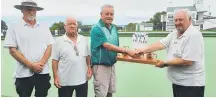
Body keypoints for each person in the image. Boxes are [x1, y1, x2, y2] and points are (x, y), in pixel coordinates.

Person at [135, 9, 205, 97]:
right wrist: (142, 50)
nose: (177, 22)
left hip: (191, 86)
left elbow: (188, 61)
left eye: (180, 20)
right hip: (178, 83)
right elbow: (161, 44)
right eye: (175, 20)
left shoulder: (194, 35)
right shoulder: (175, 33)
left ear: (190, 20)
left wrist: (165, 63)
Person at [3, 0, 54, 97]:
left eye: (34, 10)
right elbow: (12, 50)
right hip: (23, 74)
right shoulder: (14, 27)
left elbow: (49, 47)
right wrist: (31, 65)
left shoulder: (44, 27)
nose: (31, 12)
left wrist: (41, 63)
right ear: (22, 10)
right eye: (28, 10)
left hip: (43, 71)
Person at [90, 4, 135, 97]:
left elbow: (115, 45)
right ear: (101, 14)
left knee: (110, 93)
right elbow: (107, 46)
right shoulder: (96, 28)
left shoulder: (114, 28)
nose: (109, 16)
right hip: (100, 66)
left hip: (111, 65)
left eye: (111, 14)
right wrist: (126, 51)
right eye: (107, 14)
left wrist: (123, 53)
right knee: (101, 94)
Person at [52, 17, 92, 97]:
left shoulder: (83, 39)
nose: (72, 26)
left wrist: (89, 67)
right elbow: (54, 61)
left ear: (77, 26)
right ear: (65, 26)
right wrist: (55, 77)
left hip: (82, 80)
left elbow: (87, 56)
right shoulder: (58, 41)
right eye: (69, 24)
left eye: (74, 24)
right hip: (64, 81)